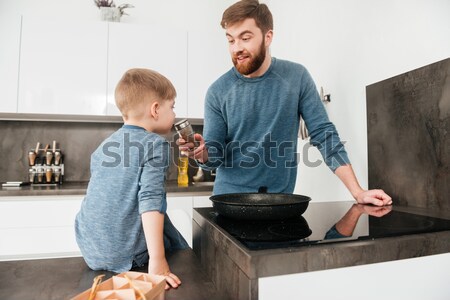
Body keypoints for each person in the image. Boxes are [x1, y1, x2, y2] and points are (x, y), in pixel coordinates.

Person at [180, 0, 392, 207]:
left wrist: (358, 192)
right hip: (230, 203)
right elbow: (214, 156)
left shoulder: (296, 77)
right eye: (231, 40)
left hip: (279, 203)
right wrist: (202, 152)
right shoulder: (217, 91)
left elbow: (323, 134)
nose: (237, 48)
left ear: (268, 36)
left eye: (245, 38)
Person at [75, 68, 188, 289]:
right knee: (178, 244)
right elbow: (150, 201)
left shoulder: (103, 146)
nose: (174, 114)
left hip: (91, 251)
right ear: (155, 109)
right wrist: (158, 262)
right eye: (172, 106)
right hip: (126, 256)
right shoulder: (155, 144)